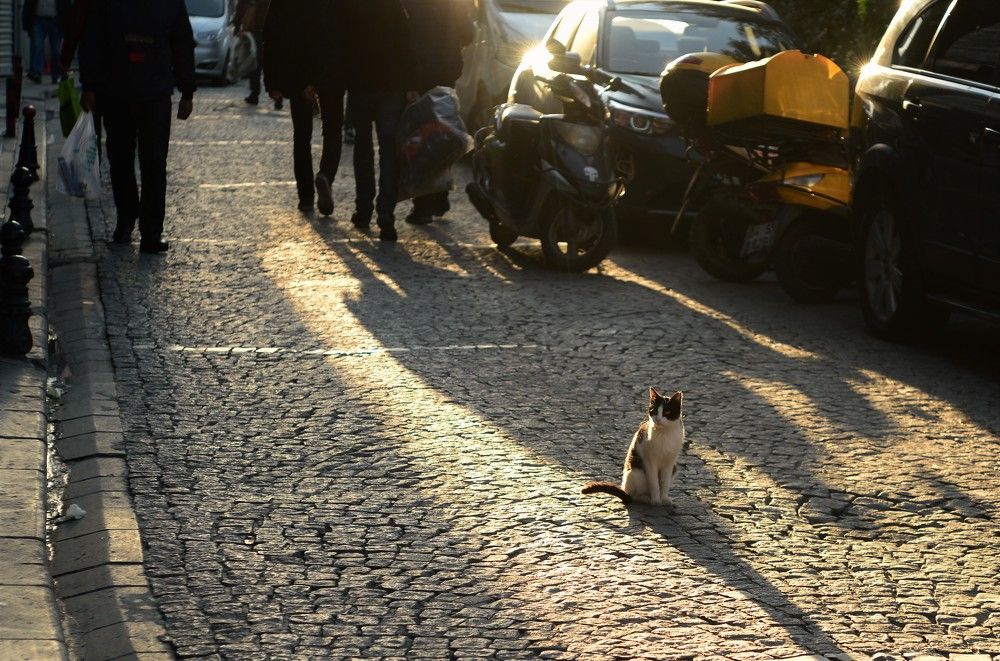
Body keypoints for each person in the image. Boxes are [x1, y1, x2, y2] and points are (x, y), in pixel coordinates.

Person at [79, 0, 196, 254]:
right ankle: (128, 218)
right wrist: (89, 83)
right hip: (119, 91)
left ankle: (150, 230)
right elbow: (93, 38)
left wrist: (188, 89)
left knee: (152, 163)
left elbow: (182, 42)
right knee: (122, 160)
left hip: (150, 92)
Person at [263, 0, 346, 216]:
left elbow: (271, 35)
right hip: (331, 74)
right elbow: (346, 33)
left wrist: (273, 81)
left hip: (297, 76)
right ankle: (326, 174)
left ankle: (306, 197)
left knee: (302, 138)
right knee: (332, 132)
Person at [344, 0, 416, 242]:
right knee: (388, 150)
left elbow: (343, 43)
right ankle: (386, 212)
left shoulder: (352, 7)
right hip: (390, 84)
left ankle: (363, 209)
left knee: (363, 148)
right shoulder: (393, 6)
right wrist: (411, 85)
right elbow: (406, 44)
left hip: (360, 83)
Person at [401, 0, 475, 226]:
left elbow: (402, 31)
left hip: (419, 74)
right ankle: (440, 196)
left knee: (423, 135)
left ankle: (424, 203)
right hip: (445, 72)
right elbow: (468, 32)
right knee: (443, 133)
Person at [234, 0, 278, 109]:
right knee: (273, 63)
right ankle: (277, 95)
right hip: (272, 31)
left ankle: (255, 94)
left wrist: (237, 24)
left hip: (257, 30)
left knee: (256, 63)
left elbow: (241, 7)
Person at [23, 0, 69, 84]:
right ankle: (36, 73)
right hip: (38, 19)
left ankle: (56, 74)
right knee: (37, 46)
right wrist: (26, 22)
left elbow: (65, 4)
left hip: (55, 20)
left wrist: (66, 24)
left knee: (56, 50)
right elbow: (28, 3)